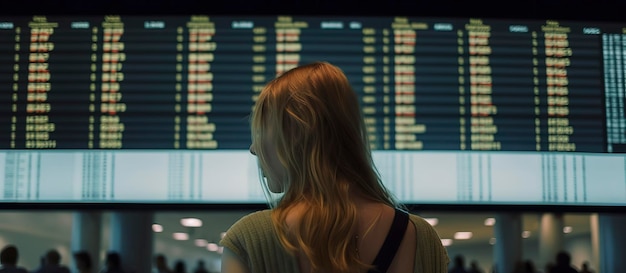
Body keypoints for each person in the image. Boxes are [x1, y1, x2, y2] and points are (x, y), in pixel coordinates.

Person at [220, 61, 449, 273]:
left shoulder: (248, 241)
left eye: (261, 132)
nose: (253, 148)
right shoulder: (422, 239)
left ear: (296, 135)